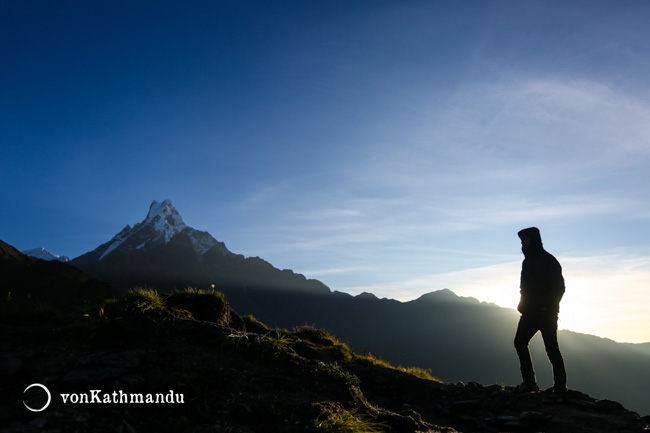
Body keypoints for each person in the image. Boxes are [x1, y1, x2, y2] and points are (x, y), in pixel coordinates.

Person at [514, 227, 567, 399]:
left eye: (525, 240)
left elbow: (560, 288)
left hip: (546, 314)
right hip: (529, 312)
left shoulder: (549, 261)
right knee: (519, 342)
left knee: (551, 349)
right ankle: (529, 381)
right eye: (521, 240)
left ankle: (560, 388)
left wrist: (547, 307)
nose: (522, 243)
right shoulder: (527, 262)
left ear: (534, 240)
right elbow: (524, 287)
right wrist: (522, 304)